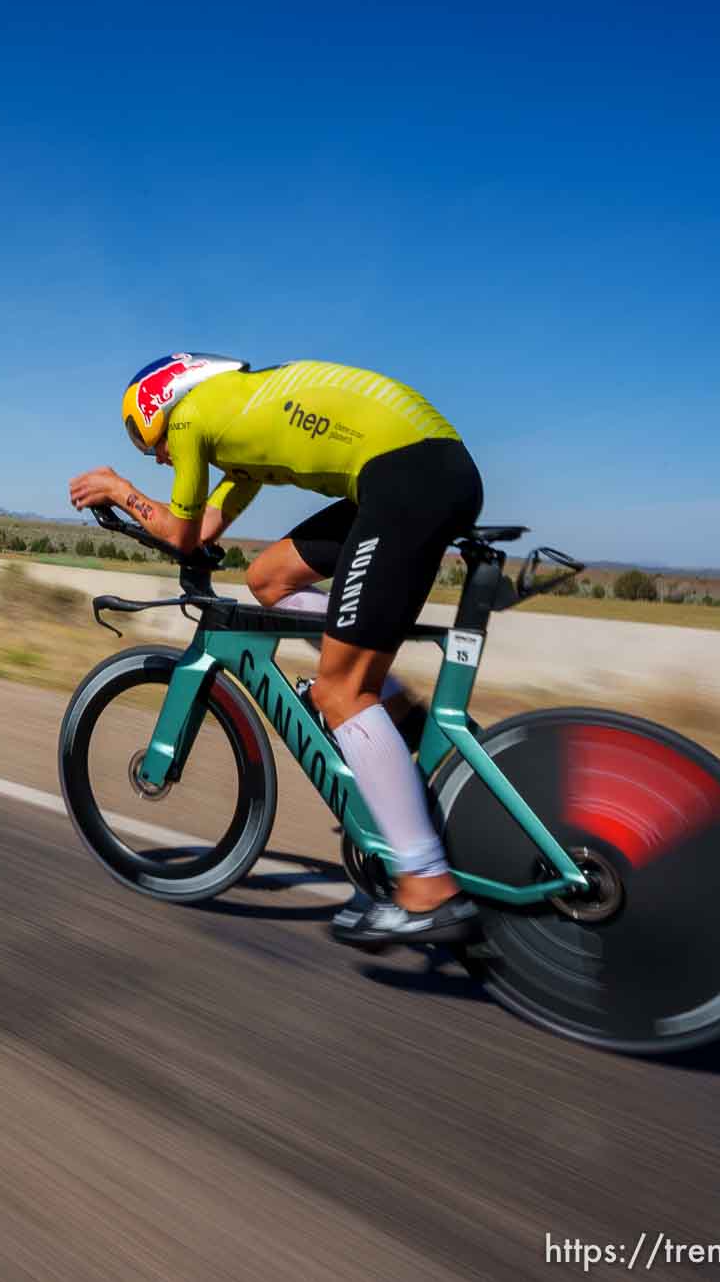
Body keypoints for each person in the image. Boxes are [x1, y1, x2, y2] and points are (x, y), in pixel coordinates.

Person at [68, 353, 484, 947]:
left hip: (405, 475)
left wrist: (120, 489)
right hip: (420, 467)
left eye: (147, 441)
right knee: (269, 579)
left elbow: (182, 533)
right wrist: (142, 513)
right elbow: (207, 529)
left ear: (160, 401)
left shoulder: (192, 418)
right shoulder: (240, 430)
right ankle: (391, 707)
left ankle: (425, 884)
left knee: (341, 692)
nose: (158, 455)